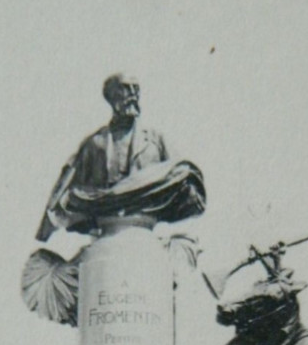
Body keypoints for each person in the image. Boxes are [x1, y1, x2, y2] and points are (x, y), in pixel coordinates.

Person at [35, 74, 204, 239]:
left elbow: (181, 172)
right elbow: (68, 187)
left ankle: (129, 193)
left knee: (184, 171)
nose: (133, 94)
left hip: (145, 219)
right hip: (104, 212)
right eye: (125, 88)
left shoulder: (155, 139)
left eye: (135, 88)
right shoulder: (94, 143)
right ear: (111, 96)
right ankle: (118, 196)